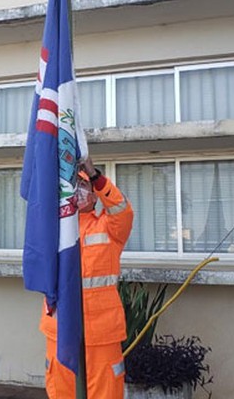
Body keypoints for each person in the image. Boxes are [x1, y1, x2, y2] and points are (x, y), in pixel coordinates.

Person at [41, 157, 134, 399]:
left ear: (94, 194)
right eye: (73, 186)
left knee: (104, 393)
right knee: (62, 392)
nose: (78, 192)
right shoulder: (55, 230)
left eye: (83, 186)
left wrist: (95, 176)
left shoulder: (109, 228)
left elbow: (122, 209)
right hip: (60, 331)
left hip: (100, 335)